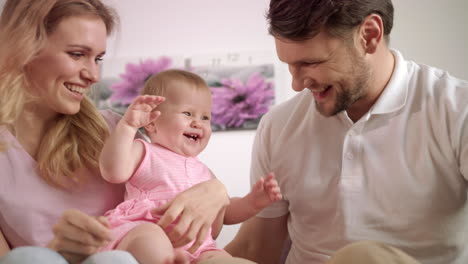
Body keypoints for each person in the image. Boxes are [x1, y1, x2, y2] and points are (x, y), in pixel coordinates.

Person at [222, 0, 468, 264]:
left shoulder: (457, 110)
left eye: (311, 62)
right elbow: (257, 247)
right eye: (290, 66)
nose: (296, 85)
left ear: (369, 35)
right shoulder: (278, 124)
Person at [0, 1, 230, 264]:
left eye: (98, 59)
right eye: (77, 54)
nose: (94, 75)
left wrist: (216, 193)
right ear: (23, 48)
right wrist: (56, 251)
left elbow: (187, 229)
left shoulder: (116, 130)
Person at [98, 69, 282, 264]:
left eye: (205, 117)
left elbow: (225, 211)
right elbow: (113, 171)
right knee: (149, 238)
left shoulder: (205, 172)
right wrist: (128, 126)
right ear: (151, 122)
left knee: (225, 259)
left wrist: (252, 202)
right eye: (187, 113)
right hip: (148, 225)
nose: (198, 123)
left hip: (197, 246)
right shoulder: (144, 151)